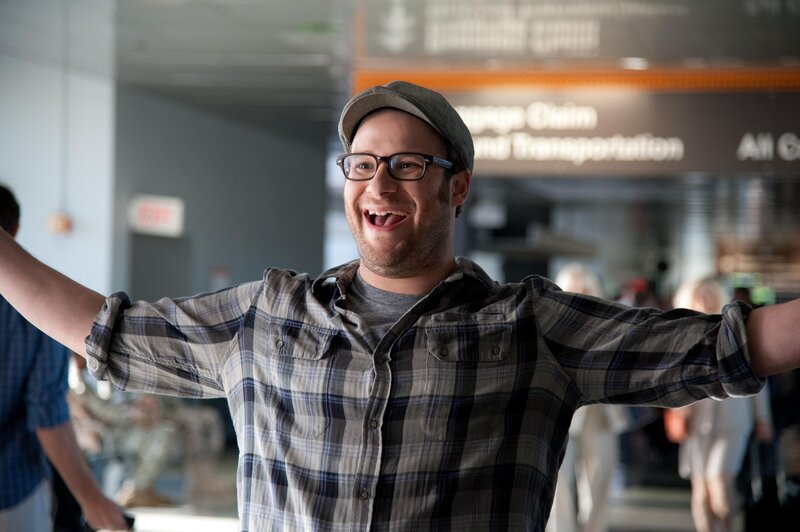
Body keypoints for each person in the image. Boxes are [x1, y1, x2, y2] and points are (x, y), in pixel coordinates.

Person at [0, 81, 799, 531]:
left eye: (408, 165)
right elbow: (102, 331)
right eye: (362, 164)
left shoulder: (533, 328)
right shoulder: (264, 318)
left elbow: (739, 344)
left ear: (457, 188)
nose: (379, 183)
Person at [0, 184, 129, 531]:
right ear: (15, 230)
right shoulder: (37, 307)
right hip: (13, 490)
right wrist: (92, 498)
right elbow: (47, 414)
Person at [670, 277, 774, 532]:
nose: (703, 299)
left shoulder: (734, 329)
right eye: (698, 295)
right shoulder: (680, 331)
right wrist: (677, 411)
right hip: (695, 419)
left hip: (733, 418)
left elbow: (755, 371)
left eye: (708, 294)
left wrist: (763, 417)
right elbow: (671, 378)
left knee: (718, 481)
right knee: (701, 489)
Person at [546, 263, 630, 532]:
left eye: (584, 288)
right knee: (557, 482)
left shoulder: (609, 323)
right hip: (560, 413)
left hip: (600, 412)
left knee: (598, 479)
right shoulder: (548, 323)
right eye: (573, 288)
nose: (579, 293)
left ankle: (594, 528)